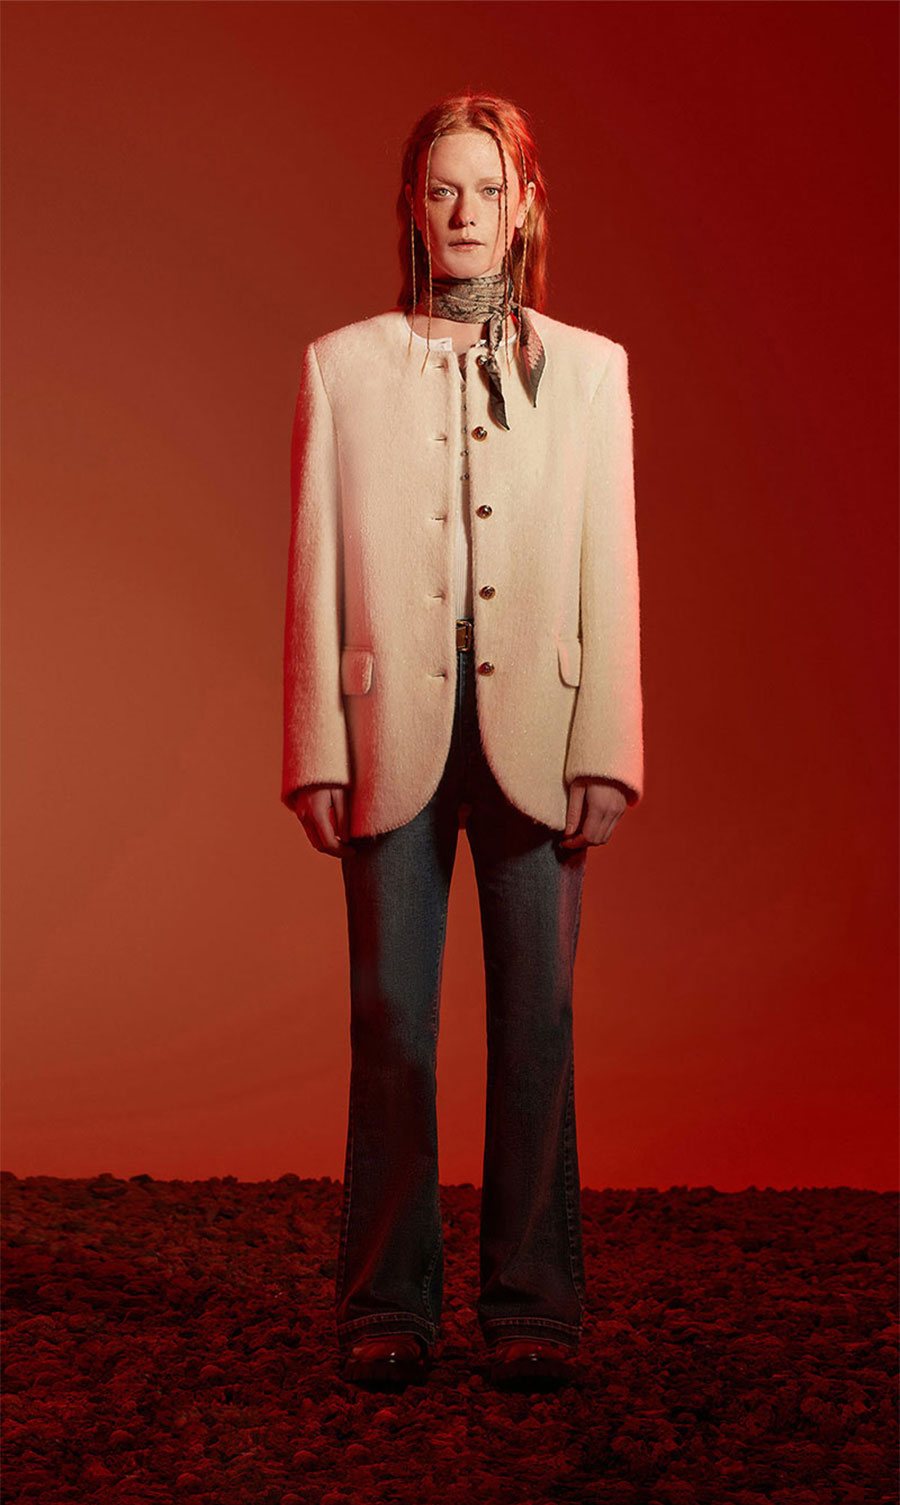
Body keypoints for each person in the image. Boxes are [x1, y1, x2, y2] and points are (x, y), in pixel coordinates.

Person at [282, 92, 644, 1393]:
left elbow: (611, 566)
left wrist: (611, 746)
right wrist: (315, 749)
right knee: (392, 1020)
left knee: (538, 1017)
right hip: (387, 728)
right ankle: (388, 1298)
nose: (465, 213)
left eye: (487, 190)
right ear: (411, 207)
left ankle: (532, 1304)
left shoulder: (590, 371)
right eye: (442, 189)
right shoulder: (343, 367)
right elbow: (314, 569)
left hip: (543, 731)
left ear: (525, 206)